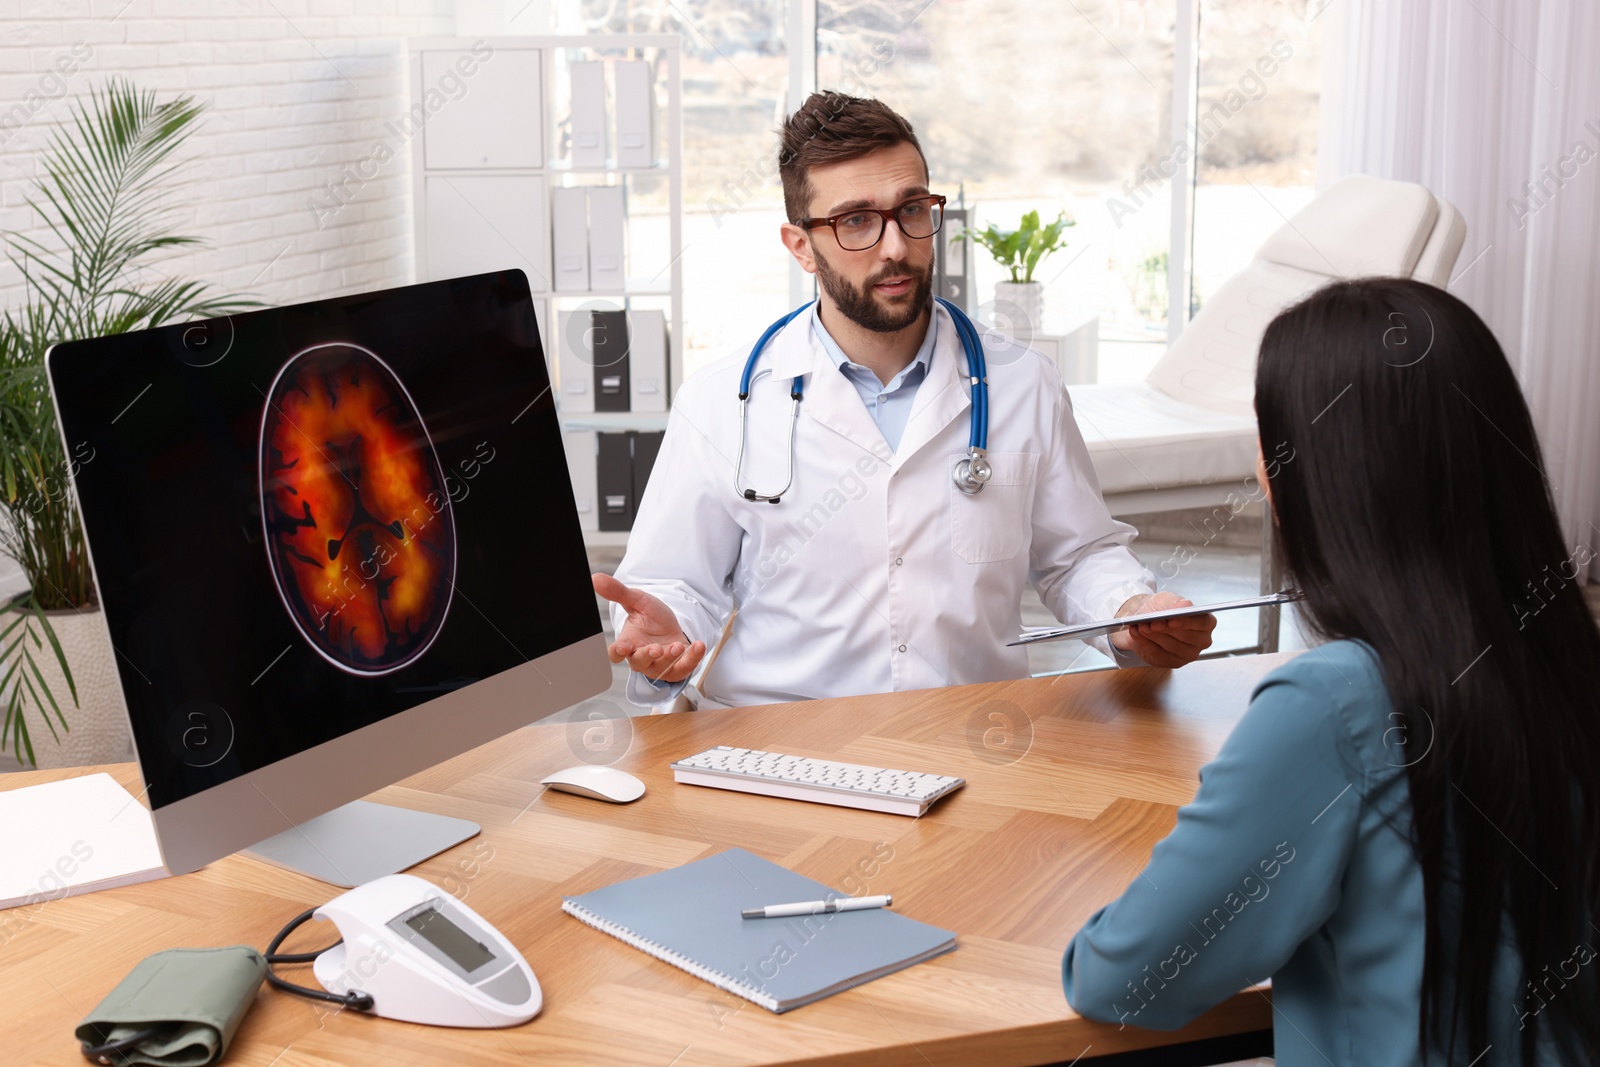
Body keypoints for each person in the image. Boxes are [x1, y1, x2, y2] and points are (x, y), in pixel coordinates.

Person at [1062, 277, 1599, 1065]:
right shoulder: (1565, 653)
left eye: (1268, 435)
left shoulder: (1333, 702)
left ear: (1313, 472)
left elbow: (1123, 977)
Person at [593, 92, 1215, 709]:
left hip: (972, 738)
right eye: (856, 221)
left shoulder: (1024, 383)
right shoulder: (722, 400)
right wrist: (667, 639)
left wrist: (1131, 611)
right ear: (800, 245)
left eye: (912, 209)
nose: (895, 246)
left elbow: (1076, 557)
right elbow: (673, 584)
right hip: (776, 743)